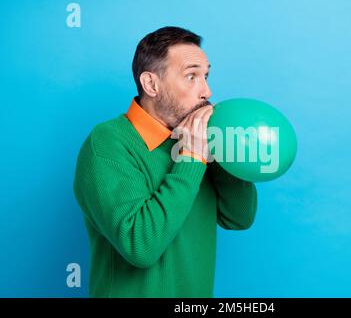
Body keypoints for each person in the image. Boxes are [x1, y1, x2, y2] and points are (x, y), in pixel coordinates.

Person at [73, 26, 258, 297]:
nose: (206, 90)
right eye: (191, 76)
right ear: (151, 84)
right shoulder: (107, 143)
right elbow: (140, 246)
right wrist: (192, 158)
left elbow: (240, 217)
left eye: (206, 76)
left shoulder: (198, 140)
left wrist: (224, 152)